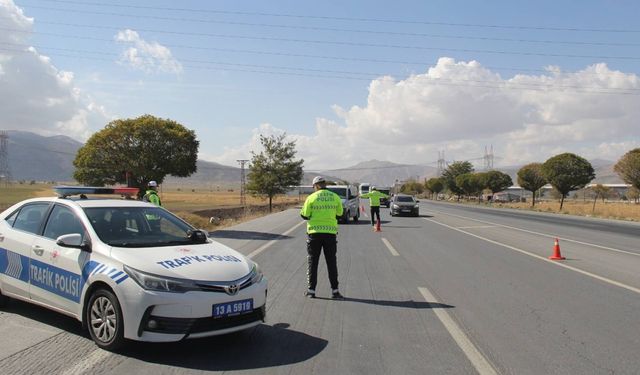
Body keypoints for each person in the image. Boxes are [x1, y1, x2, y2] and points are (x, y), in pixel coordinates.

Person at [300, 176, 344, 299]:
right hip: (330, 234)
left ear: (316, 185)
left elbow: (304, 214)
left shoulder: (311, 198)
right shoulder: (335, 197)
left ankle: (311, 291)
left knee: (313, 262)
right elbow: (340, 214)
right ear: (324, 184)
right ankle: (335, 291)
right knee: (331, 262)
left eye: (314, 187)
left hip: (314, 234)